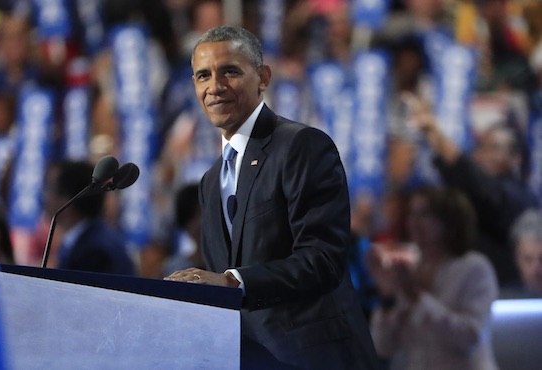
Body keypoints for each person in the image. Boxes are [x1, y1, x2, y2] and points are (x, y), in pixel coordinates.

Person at [164, 25, 378, 369]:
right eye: (203, 76)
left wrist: (233, 281)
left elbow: (323, 259)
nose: (214, 87)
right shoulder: (208, 182)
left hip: (315, 358)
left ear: (263, 77)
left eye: (230, 71)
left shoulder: (302, 145)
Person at [405, 92, 540, 286]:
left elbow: (476, 183)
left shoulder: (519, 197)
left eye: (494, 148)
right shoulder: (471, 194)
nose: (485, 156)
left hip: (508, 296)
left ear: (516, 158)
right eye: (482, 148)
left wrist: (433, 131)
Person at [368, 186, 499, 370]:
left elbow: (470, 338)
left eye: (424, 214)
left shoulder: (474, 267)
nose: (413, 222)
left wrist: (416, 298)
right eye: (412, 214)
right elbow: (382, 347)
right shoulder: (409, 269)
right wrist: (387, 299)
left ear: (451, 222)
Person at [43, 160, 135, 275]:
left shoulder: (93, 252)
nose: (45, 196)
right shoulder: (92, 237)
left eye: (50, 189)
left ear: (67, 198)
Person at [500, 209, 542, 298]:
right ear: (516, 259)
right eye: (528, 259)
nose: (536, 269)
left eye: (541, 259)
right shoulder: (504, 301)